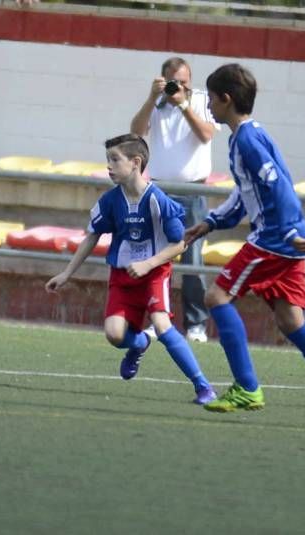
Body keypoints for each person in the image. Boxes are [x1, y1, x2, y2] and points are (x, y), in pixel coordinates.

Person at [183, 63, 305, 430]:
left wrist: (287, 233)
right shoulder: (247, 136)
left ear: (226, 99)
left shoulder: (248, 140)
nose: (208, 107)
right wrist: (212, 222)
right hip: (285, 236)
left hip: (274, 238)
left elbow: (279, 188)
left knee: (216, 297)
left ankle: (246, 388)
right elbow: (247, 192)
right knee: (290, 320)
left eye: (211, 99)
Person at [45, 134, 217, 405]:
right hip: (122, 276)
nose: (109, 167)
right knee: (114, 335)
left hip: (154, 274)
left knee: (162, 325)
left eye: (115, 160)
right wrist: (67, 273)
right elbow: (92, 235)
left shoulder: (159, 201)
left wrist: (149, 263)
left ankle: (203, 387)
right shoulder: (111, 200)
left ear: (136, 162)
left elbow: (179, 244)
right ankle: (139, 344)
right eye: (107, 160)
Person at [130, 57, 218, 343]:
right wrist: (151, 97)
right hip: (160, 189)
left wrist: (183, 104)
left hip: (194, 191)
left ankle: (196, 324)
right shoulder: (156, 104)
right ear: (163, 79)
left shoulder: (203, 101)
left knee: (192, 260)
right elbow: (136, 132)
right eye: (174, 82)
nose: (179, 87)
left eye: (184, 82)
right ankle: (158, 319)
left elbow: (206, 135)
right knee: (156, 259)